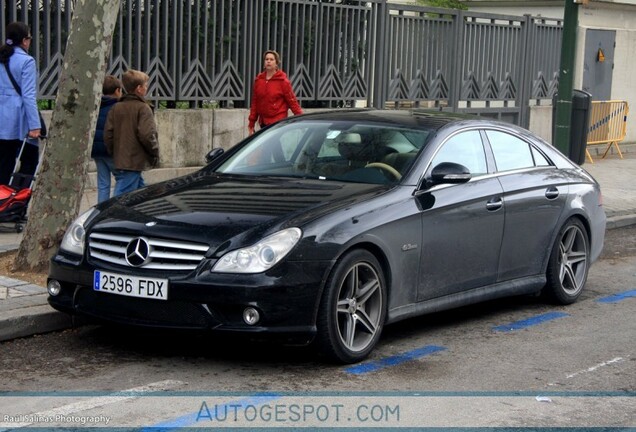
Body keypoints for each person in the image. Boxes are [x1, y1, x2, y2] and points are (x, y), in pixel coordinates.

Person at [104, 69, 159, 196]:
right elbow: (147, 135)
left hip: (122, 158)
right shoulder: (143, 108)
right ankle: (112, 215)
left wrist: (114, 151)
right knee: (121, 196)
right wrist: (154, 151)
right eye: (145, 85)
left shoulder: (116, 107)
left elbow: (108, 134)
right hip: (134, 160)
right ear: (139, 88)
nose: (147, 88)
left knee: (141, 192)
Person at [0, 21, 41, 186]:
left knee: (3, 166)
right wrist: (35, 125)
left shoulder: (2, 58)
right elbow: (28, 96)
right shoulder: (27, 61)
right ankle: (17, 202)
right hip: (20, 122)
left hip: (2, 123)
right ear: (24, 40)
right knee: (30, 163)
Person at [248, 50, 302, 135]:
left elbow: (292, 101)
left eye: (271, 59)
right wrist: (251, 122)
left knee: (271, 145)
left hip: (278, 121)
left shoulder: (283, 81)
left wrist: (301, 118)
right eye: (266, 59)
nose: (268, 61)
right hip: (263, 121)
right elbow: (255, 102)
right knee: (270, 146)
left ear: (276, 63)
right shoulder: (259, 80)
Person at [92, 75, 123, 203]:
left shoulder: (96, 106)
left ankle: (101, 208)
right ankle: (114, 207)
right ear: (117, 90)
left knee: (103, 183)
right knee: (121, 178)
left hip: (96, 151)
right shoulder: (117, 108)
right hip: (110, 150)